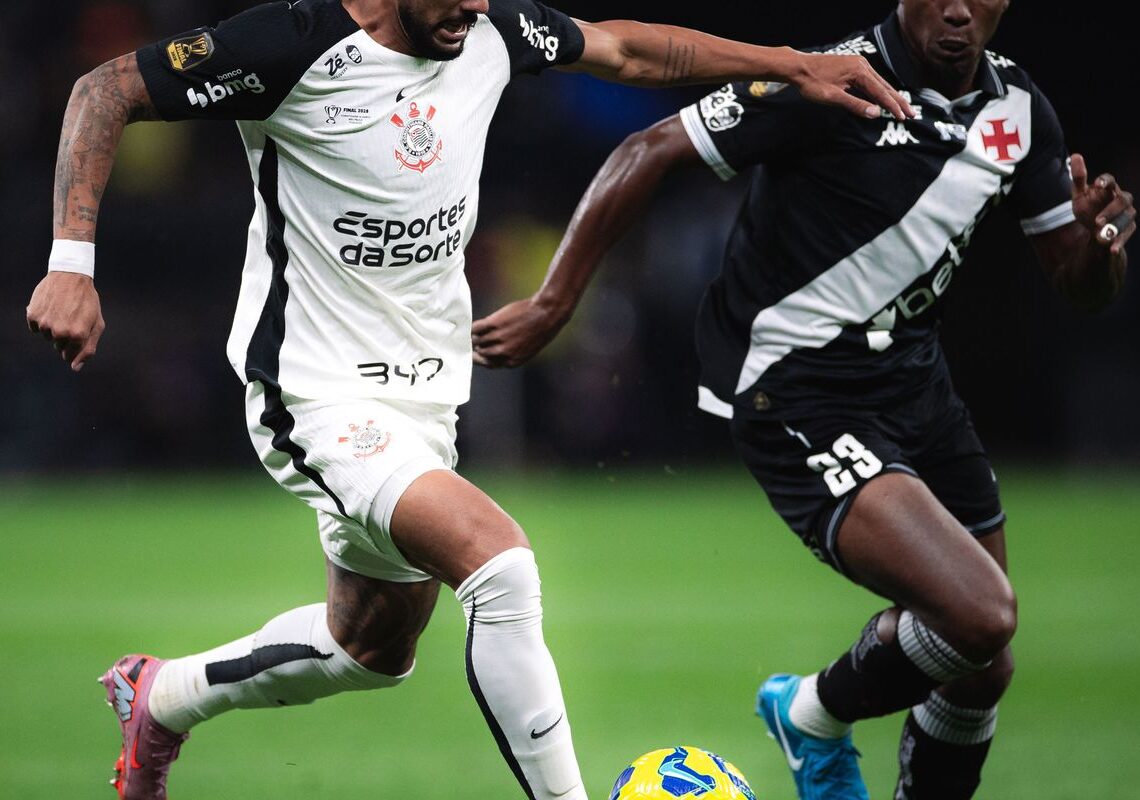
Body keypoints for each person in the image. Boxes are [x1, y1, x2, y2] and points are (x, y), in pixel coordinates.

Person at [24, 0, 917, 797]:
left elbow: (634, 51)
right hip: (315, 392)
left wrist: (792, 64)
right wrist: (71, 263)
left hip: (423, 399)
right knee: (501, 563)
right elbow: (103, 92)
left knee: (370, 649)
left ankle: (161, 697)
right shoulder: (289, 44)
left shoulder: (487, 29)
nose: (475, 6)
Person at [471, 0, 1134, 798]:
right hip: (796, 390)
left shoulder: (1020, 110)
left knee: (981, 664)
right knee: (980, 615)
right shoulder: (828, 81)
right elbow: (649, 147)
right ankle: (811, 713)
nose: (958, 10)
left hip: (918, 389)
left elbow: (1077, 281)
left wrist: (1100, 251)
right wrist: (554, 302)